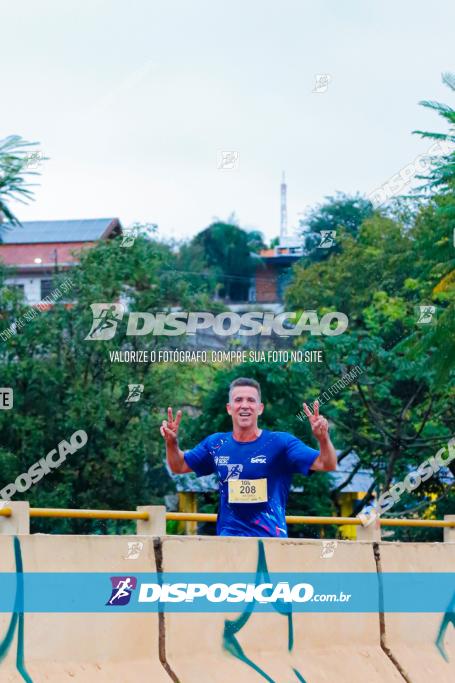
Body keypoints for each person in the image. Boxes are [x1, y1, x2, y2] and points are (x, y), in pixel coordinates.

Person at [161, 377, 337, 537]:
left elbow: (326, 463)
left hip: (270, 542)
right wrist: (171, 443)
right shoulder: (216, 444)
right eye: (238, 400)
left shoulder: (280, 443)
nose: (244, 405)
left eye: (251, 400)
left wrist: (323, 438)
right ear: (229, 408)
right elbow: (179, 466)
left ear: (259, 409)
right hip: (229, 543)